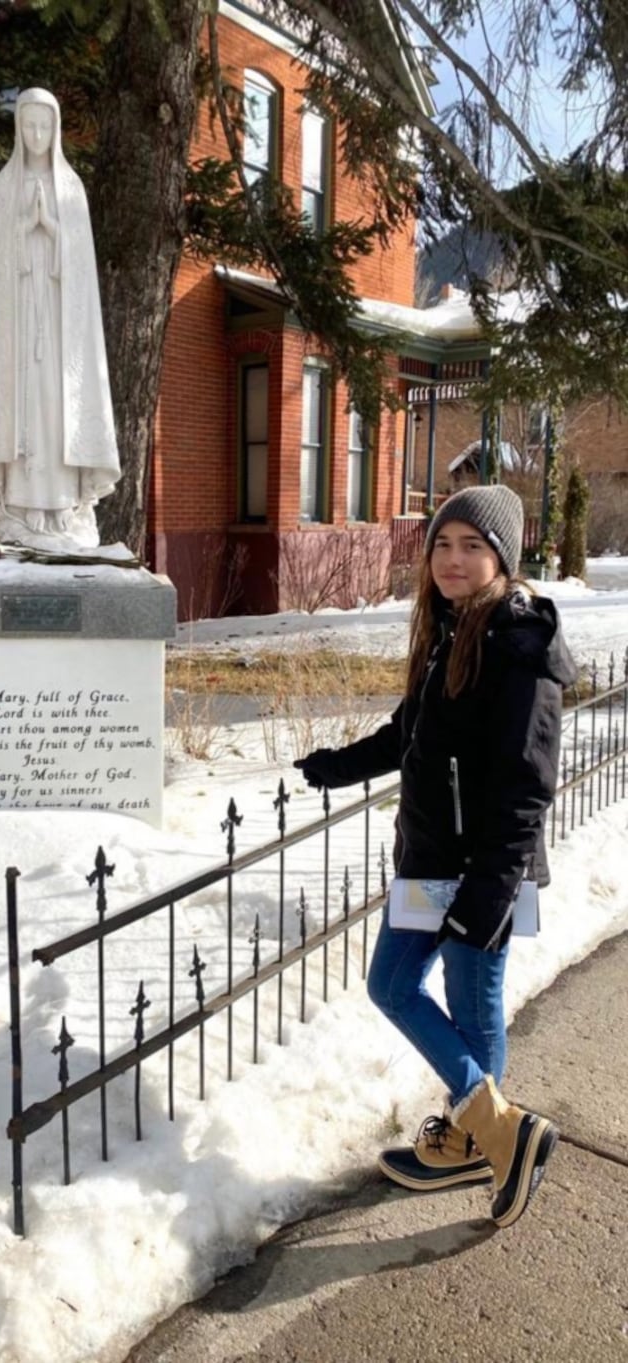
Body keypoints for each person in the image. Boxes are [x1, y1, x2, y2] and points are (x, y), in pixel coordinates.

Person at [294, 485, 577, 1229]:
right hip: (427, 859)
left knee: (469, 1000)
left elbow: (525, 787)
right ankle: (491, 1127)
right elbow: (407, 734)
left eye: (472, 546)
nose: (453, 559)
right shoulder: (450, 628)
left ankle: (487, 1134)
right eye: (443, 544)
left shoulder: (517, 647)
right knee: (391, 984)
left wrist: (487, 894)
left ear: (502, 557)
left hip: (479, 870)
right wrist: (336, 765)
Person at [0, 88, 121, 550]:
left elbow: (81, 273)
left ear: (56, 130)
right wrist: (21, 230)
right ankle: (23, 508)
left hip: (60, 333)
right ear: (19, 129)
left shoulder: (71, 189)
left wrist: (51, 230)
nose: (36, 134)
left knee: (59, 406)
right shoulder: (6, 185)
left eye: (44, 126)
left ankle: (63, 507)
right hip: (17, 328)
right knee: (25, 407)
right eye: (28, 125)